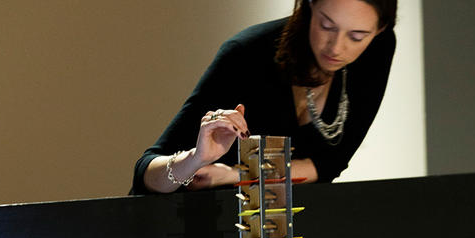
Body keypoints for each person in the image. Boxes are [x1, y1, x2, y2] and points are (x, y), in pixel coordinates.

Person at [131, 0, 397, 194]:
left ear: (380, 29)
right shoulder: (246, 55)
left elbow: (329, 165)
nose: (337, 47)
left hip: (281, 235)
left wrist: (235, 175)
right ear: (309, 5)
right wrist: (195, 159)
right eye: (327, 26)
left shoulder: (377, 51)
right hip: (195, 233)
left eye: (357, 36)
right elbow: (146, 175)